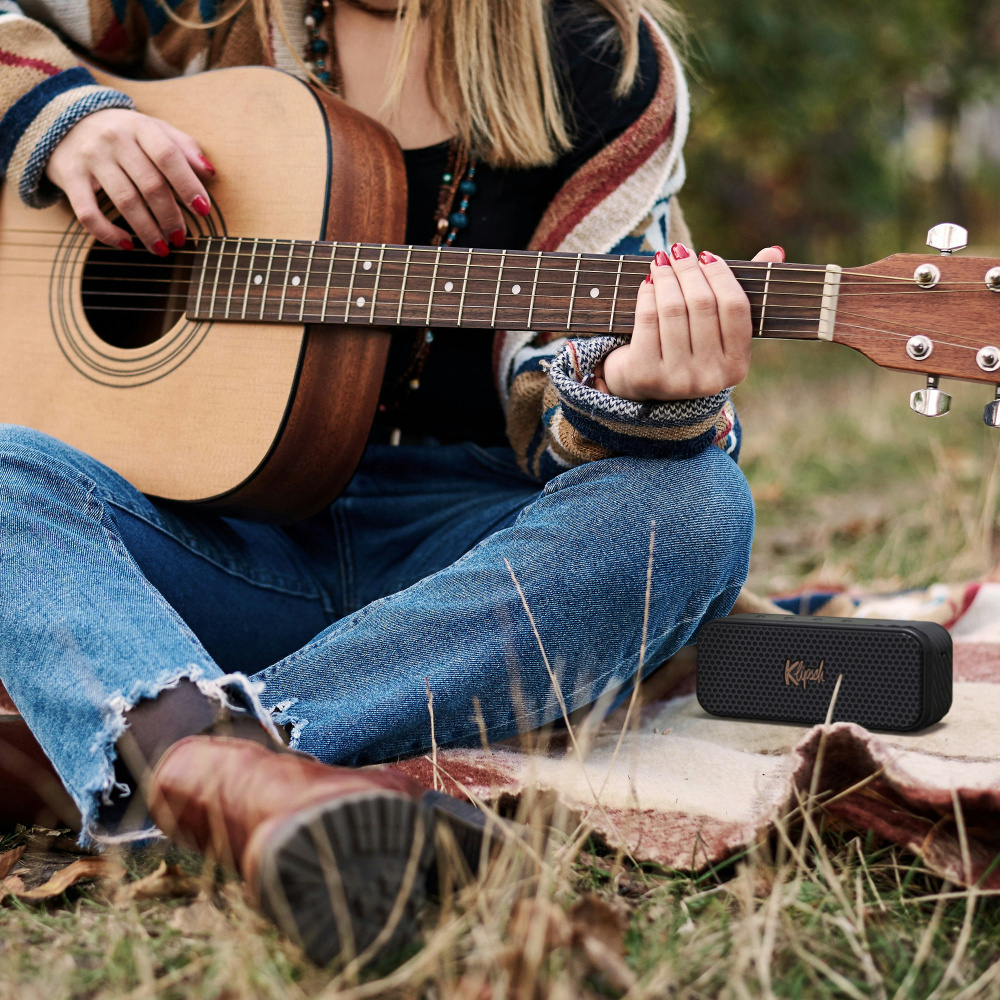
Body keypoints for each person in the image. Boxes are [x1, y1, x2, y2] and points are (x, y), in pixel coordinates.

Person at [0, 0, 781, 966]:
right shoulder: (200, 13)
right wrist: (63, 119)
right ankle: (241, 775)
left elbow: (566, 380)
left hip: (458, 570)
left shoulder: (599, 63)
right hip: (216, 542)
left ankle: (190, 763)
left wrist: (629, 386)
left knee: (694, 507)